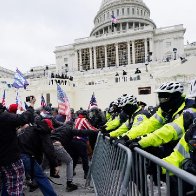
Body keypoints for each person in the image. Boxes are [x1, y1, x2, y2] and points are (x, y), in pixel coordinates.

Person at [0, 97, 35, 196]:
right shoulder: (5, 117)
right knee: (15, 186)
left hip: (3, 158)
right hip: (10, 158)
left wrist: (16, 131)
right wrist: (31, 105)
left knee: (6, 184)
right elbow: (24, 118)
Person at [18, 119, 59, 196]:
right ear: (47, 127)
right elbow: (49, 150)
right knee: (41, 177)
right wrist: (55, 165)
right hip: (27, 157)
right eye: (50, 128)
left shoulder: (29, 129)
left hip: (16, 156)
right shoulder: (43, 132)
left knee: (15, 181)